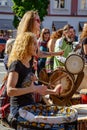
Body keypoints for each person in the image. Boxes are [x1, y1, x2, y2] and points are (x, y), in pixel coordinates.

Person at [6, 32, 63, 129]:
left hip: (29, 106)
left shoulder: (29, 63)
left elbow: (35, 88)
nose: (37, 47)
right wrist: (34, 89)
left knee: (58, 119)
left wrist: (53, 92)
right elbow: (10, 91)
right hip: (19, 110)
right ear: (25, 45)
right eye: (34, 44)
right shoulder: (16, 64)